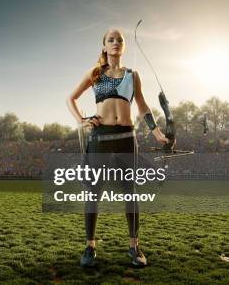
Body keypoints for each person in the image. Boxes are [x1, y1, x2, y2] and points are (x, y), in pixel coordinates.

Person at [66, 28, 171, 267]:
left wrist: (156, 133)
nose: (115, 43)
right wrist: (81, 121)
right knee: (94, 192)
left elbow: (143, 106)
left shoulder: (132, 75)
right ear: (104, 46)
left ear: (123, 47)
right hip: (100, 139)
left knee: (130, 191)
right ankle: (90, 247)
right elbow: (70, 98)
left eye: (119, 40)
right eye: (110, 40)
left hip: (126, 137)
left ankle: (134, 247)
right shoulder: (95, 73)